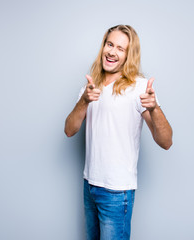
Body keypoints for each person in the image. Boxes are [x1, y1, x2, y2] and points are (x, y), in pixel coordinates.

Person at [64, 24, 173, 240]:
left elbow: (166, 141)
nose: (112, 52)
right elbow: (69, 130)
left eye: (120, 48)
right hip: (90, 185)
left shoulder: (139, 87)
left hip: (117, 191)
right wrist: (84, 100)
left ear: (128, 55)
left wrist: (154, 108)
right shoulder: (91, 87)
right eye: (109, 44)